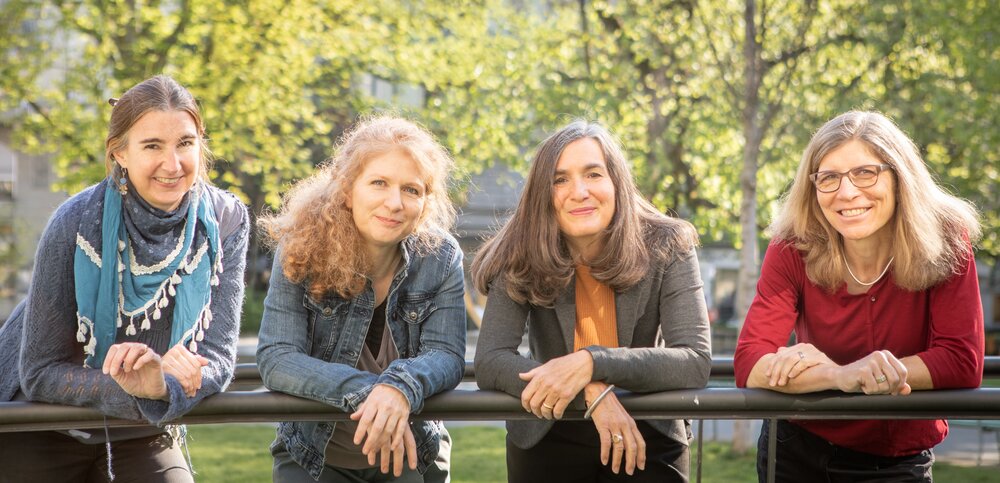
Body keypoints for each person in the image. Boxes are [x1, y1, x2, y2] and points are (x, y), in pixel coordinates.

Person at [0, 75, 249, 482]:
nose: (173, 165)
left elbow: (219, 356)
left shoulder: (226, 221)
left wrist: (162, 385)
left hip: (141, 429)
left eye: (186, 143)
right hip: (39, 422)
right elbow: (40, 372)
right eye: (152, 146)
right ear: (120, 153)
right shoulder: (75, 223)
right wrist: (143, 386)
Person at [733, 111, 983, 482]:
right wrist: (842, 374)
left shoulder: (947, 240)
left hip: (896, 463)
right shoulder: (791, 246)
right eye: (829, 178)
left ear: (899, 177)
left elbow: (962, 361)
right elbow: (750, 362)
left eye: (865, 173)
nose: (847, 192)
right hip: (795, 452)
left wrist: (864, 373)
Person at [472, 120, 712, 483]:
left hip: (646, 426)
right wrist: (591, 392)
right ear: (543, 193)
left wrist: (591, 362)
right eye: (560, 179)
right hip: (549, 430)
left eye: (593, 174)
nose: (579, 191)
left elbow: (694, 360)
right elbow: (490, 361)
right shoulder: (520, 249)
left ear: (616, 182)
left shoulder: (668, 242)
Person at [256, 116, 466, 483]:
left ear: (425, 202)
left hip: (412, 448)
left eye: (412, 190)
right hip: (314, 454)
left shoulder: (441, 257)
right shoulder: (301, 248)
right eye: (379, 183)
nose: (394, 203)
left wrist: (401, 386)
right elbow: (277, 358)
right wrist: (378, 392)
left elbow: (447, 355)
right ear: (347, 189)